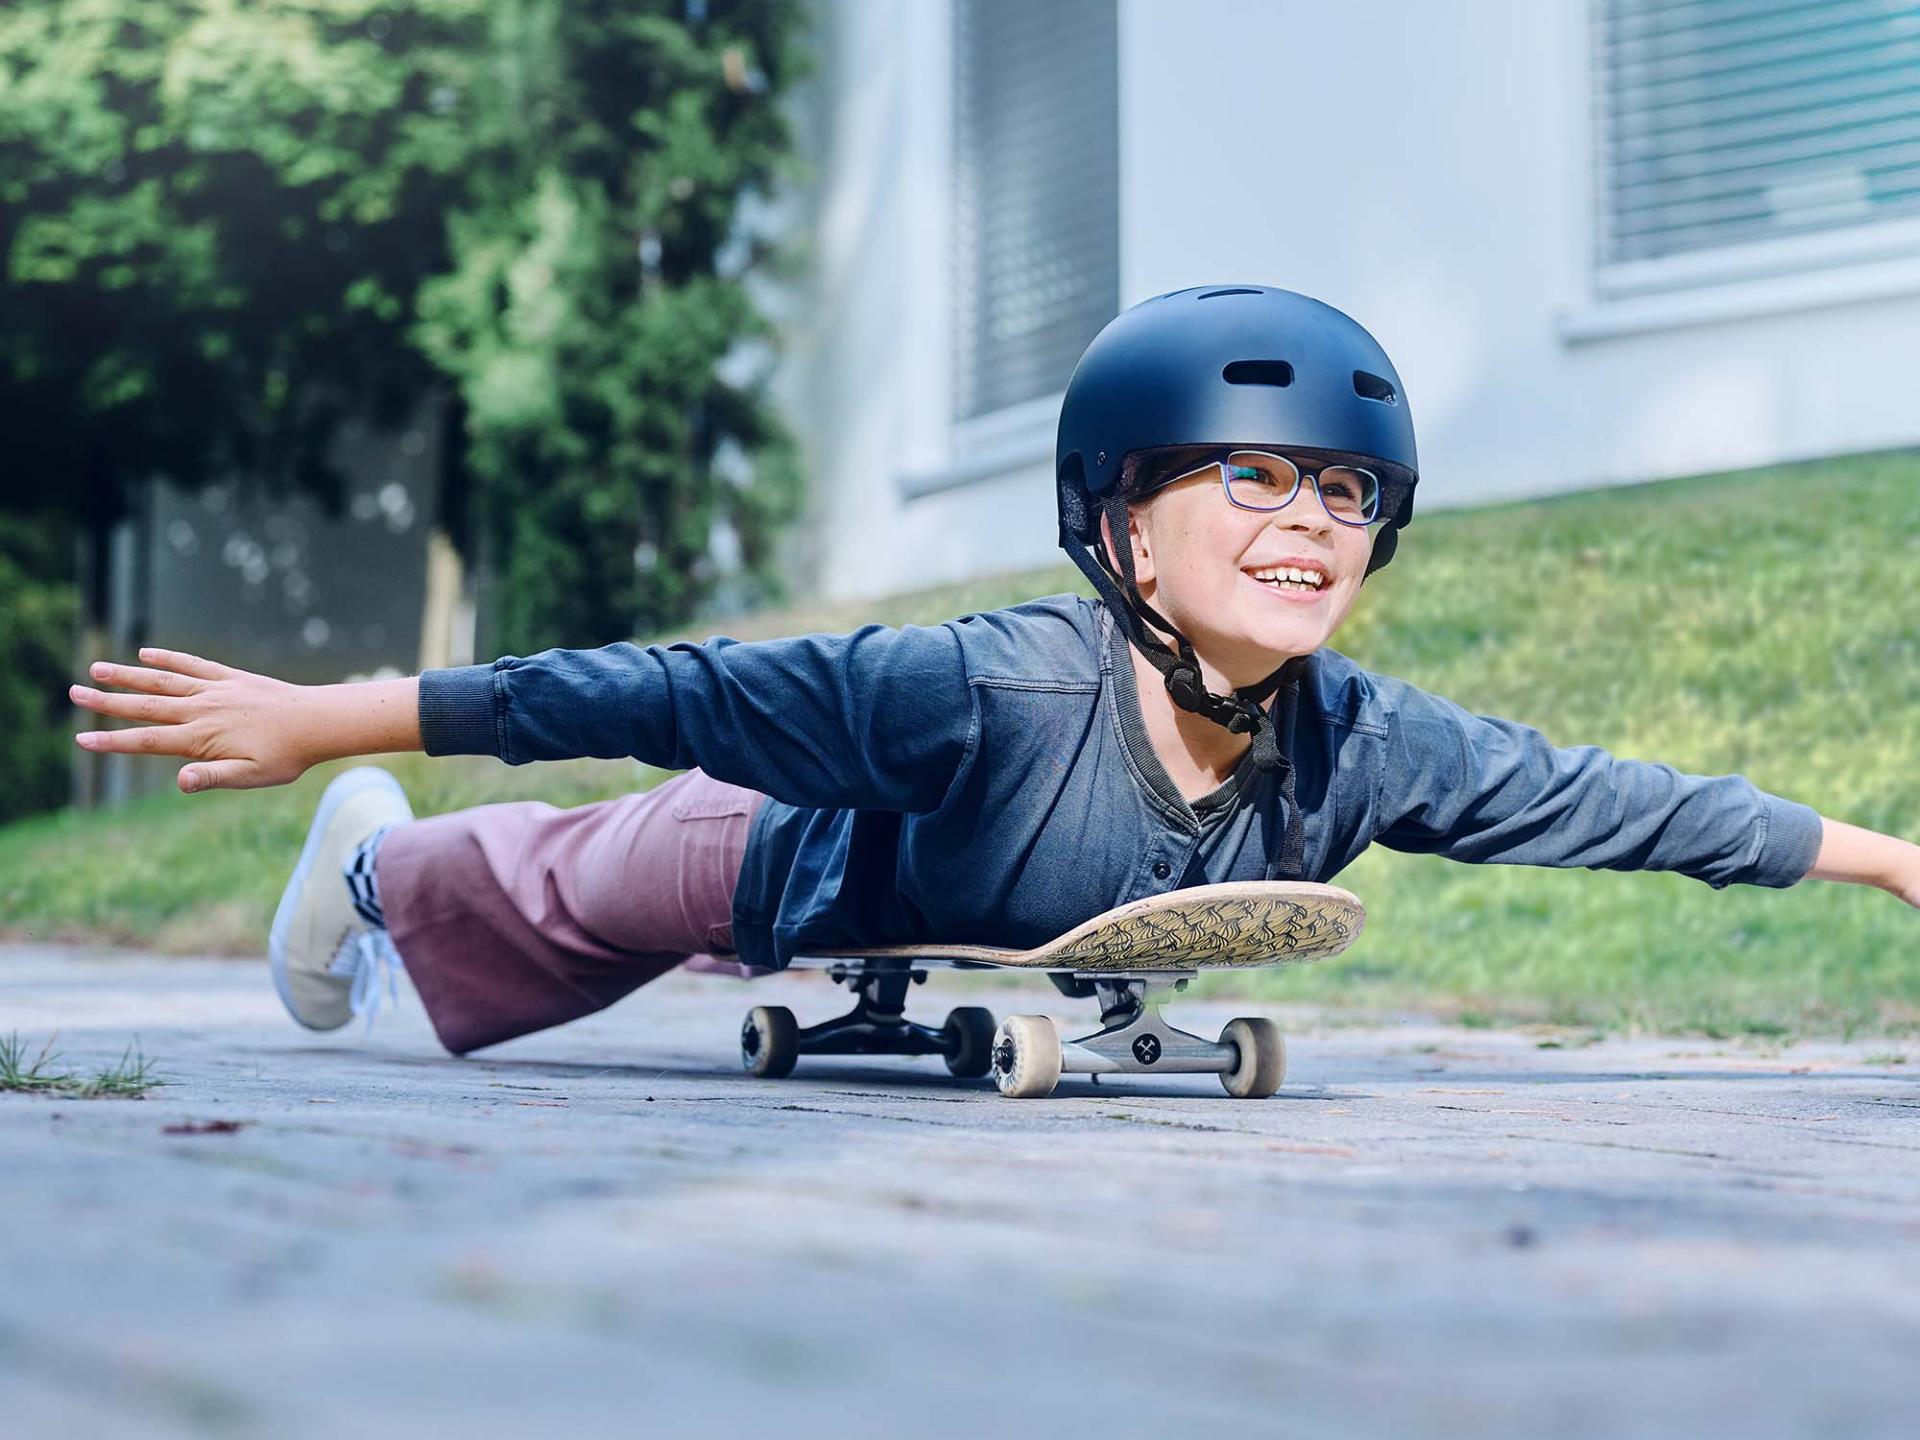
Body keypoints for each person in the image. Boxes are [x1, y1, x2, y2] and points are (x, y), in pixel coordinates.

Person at [67, 285, 1920, 1059]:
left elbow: (1622, 806)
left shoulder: (1367, 744)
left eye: (1350, 491)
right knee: (562, 887)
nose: (1311, 518)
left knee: (575, 898)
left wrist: (1894, 860)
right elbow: (666, 690)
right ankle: (375, 857)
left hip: (983, 935)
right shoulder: (977, 689)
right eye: (1250, 474)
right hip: (774, 845)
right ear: (1120, 526)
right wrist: (334, 723)